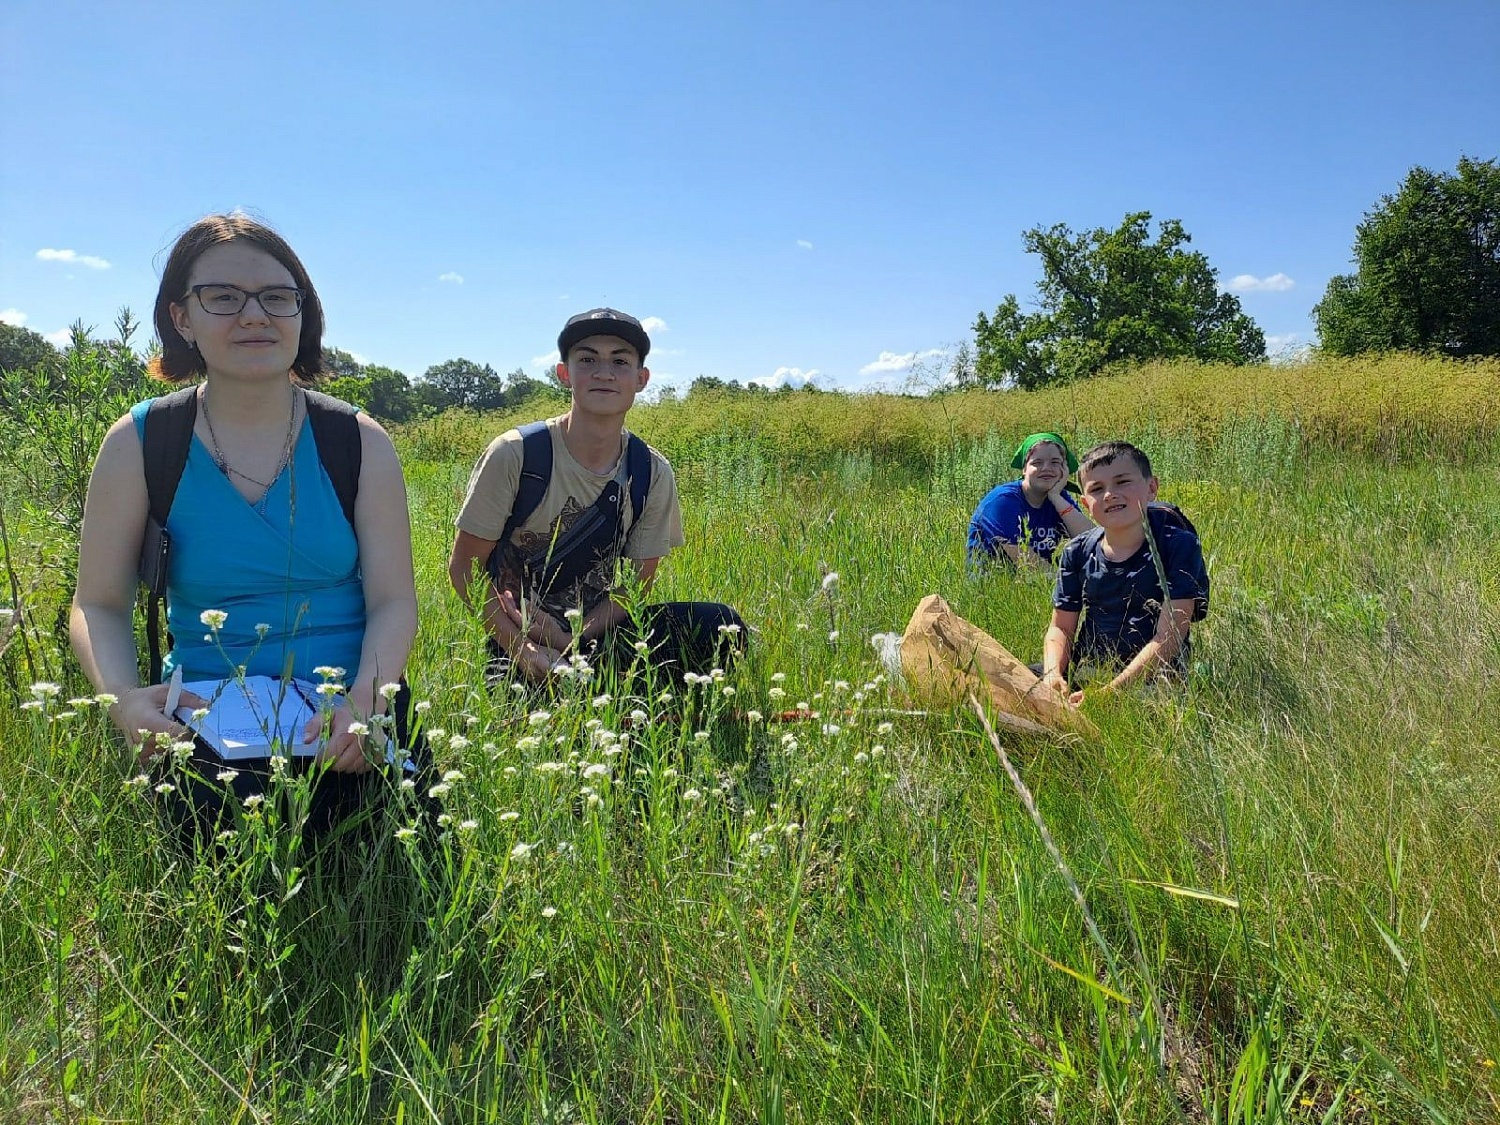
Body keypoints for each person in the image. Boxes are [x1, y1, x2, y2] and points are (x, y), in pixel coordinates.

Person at [70, 213, 419, 847]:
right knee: (233, 856)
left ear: (302, 314)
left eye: (278, 297)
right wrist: (123, 701)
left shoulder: (359, 441)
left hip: (346, 712)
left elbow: (393, 600)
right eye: (223, 297)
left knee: (379, 849)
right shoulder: (142, 443)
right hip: (205, 712)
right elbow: (97, 602)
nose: (254, 315)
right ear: (182, 318)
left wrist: (365, 704)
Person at [448, 308, 744, 684]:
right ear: (564, 374)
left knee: (722, 627)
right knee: (533, 725)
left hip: (597, 632)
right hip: (515, 636)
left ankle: (626, 697)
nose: (604, 372)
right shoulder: (516, 454)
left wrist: (574, 639)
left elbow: (639, 581)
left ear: (641, 378)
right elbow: (464, 569)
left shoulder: (650, 471)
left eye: (620, 361)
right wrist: (526, 650)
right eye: (587, 359)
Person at [1040, 441, 1209, 706]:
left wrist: (1109, 694)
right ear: (1085, 503)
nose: (1110, 494)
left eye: (1122, 482)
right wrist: (1052, 674)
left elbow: (1170, 635)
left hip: (1155, 677)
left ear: (1151, 488)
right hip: (1087, 669)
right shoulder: (1078, 551)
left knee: (1145, 708)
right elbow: (1061, 626)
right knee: (1001, 683)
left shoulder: (1177, 544)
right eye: (1097, 489)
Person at [968, 432, 1093, 566]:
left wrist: (1056, 497)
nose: (1046, 468)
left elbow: (1093, 543)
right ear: (1024, 469)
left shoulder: (1058, 497)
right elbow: (1027, 563)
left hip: (1044, 579)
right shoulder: (1002, 501)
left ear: (1065, 468)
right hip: (997, 582)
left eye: (1055, 462)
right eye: (1037, 463)